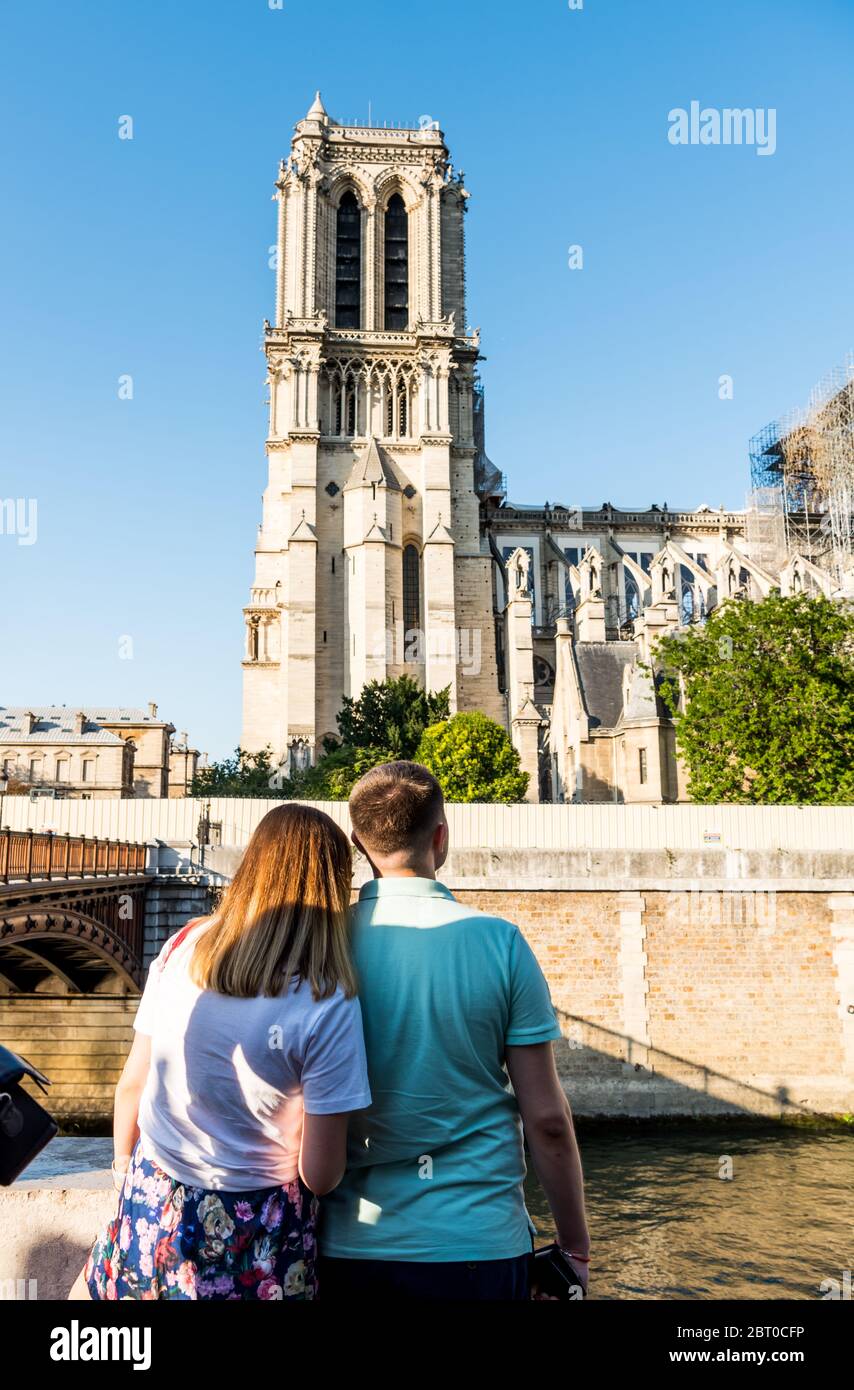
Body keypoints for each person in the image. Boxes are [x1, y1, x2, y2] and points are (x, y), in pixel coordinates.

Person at [74, 804, 371, 1301]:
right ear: (333, 887)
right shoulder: (326, 998)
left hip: (153, 1199)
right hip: (255, 1232)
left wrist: (126, 1175)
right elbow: (320, 1176)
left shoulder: (183, 944)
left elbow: (132, 1085)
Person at [319, 761, 590, 1301]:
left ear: (358, 843)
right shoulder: (501, 943)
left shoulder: (324, 945)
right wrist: (574, 1247)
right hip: (479, 1244)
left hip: (351, 1246)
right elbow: (547, 1121)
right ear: (440, 838)